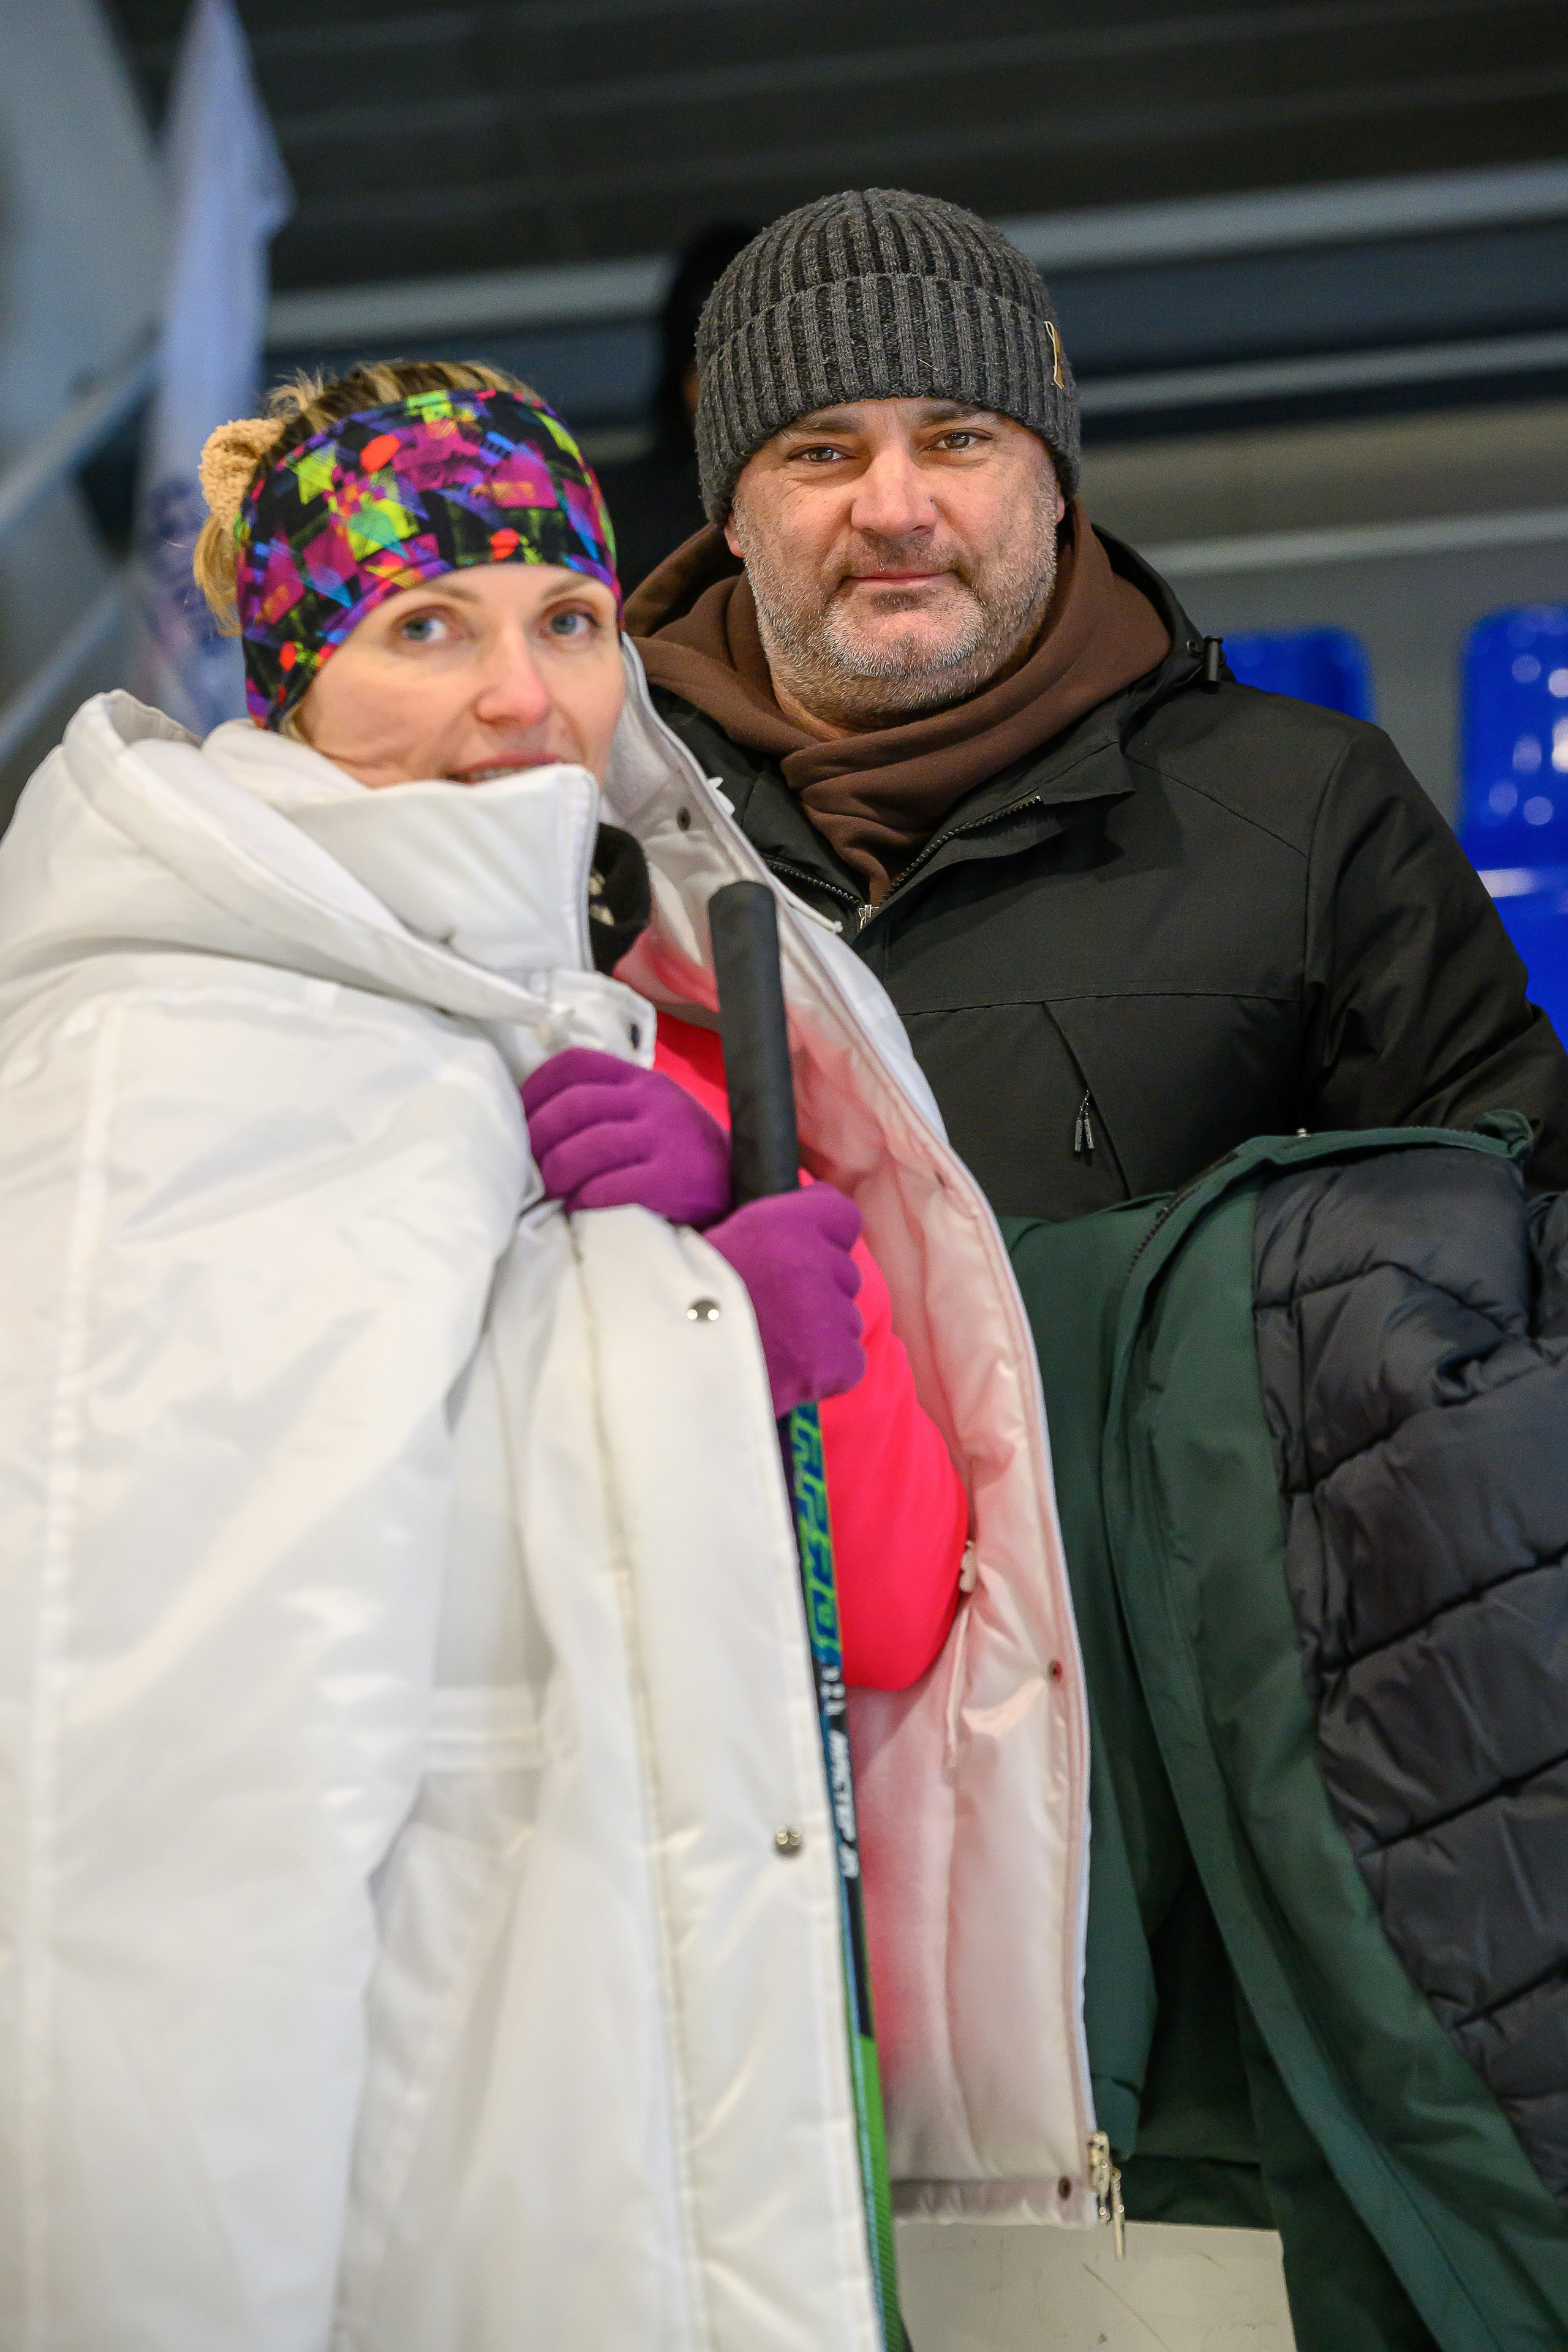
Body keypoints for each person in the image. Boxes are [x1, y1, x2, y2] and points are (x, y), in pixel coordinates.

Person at [0, 358, 1110, 2347]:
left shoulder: (639, 1015)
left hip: (653, 2077)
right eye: (427, 627)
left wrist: (731, 1272)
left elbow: (873, 1613)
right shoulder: (177, 1059)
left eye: (570, 622)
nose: (524, 698)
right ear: (292, 684)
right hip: (416, 2150)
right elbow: (154, 1829)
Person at [627, 186, 1568, 1221]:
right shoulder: (597, 829)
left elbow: (1508, 1248)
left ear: (1057, 484)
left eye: (957, 440)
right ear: (731, 517)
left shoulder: (1309, 809)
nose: (895, 509)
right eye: (821, 452)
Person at [592, 222, 755, 593]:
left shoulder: (845, 502)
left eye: (747, 373)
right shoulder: (620, 517)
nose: (728, 396)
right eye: (704, 370)